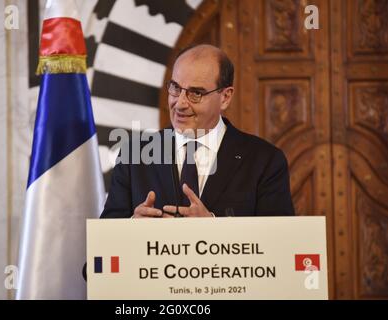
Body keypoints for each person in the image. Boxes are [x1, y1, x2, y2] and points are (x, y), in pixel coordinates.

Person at [101, 44, 295, 219]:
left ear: (225, 97)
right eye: (176, 88)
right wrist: (130, 229)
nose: (180, 103)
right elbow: (102, 247)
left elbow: (279, 244)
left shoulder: (265, 161)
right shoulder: (133, 156)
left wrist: (212, 228)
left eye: (196, 93)